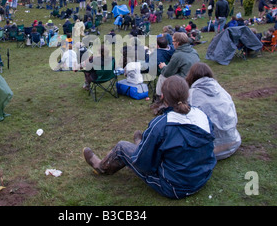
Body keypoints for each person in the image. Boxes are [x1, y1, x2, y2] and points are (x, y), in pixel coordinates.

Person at [83, 75, 216, 200]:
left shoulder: (161, 125)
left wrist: (137, 152)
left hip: (174, 187)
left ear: (163, 96)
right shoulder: (202, 115)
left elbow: (143, 163)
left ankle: (101, 166)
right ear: (187, 94)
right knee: (165, 144)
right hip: (202, 177)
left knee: (122, 147)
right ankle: (143, 143)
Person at [186, 62, 241, 160]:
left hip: (210, 150)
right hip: (233, 142)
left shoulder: (192, 95)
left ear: (191, 76)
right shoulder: (221, 90)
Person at [154, 32, 200, 100]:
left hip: (185, 81)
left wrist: (163, 67)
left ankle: (158, 99)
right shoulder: (194, 51)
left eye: (173, 41)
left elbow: (167, 73)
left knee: (162, 76)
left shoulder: (178, 55)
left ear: (177, 43)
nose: (172, 43)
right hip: (194, 79)